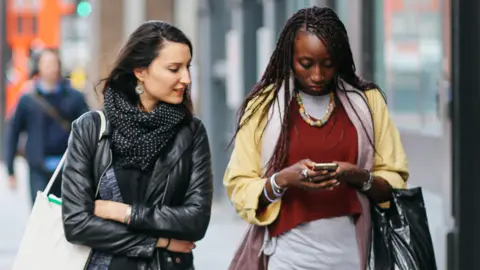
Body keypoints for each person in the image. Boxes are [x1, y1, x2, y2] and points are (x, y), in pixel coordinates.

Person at [224, 7, 409, 270]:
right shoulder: (264, 106)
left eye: (328, 63)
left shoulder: (367, 103)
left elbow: (395, 183)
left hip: (352, 255)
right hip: (287, 257)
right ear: (290, 58)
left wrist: (356, 176)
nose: (318, 75)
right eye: (306, 64)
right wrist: (283, 179)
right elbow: (240, 187)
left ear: (340, 59)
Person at [61, 21, 213, 270]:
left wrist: (123, 212)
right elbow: (76, 223)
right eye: (174, 69)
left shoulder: (191, 132)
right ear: (140, 71)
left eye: (187, 67)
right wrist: (159, 241)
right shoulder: (90, 128)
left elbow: (196, 220)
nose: (185, 78)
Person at [5, 48, 89, 204]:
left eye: (54, 63)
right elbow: (13, 132)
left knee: (68, 217)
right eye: (46, 63)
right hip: (39, 169)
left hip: (69, 169)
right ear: (38, 67)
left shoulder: (74, 98)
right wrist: (10, 170)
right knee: (40, 215)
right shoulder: (27, 100)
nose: (51, 67)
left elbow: (88, 130)